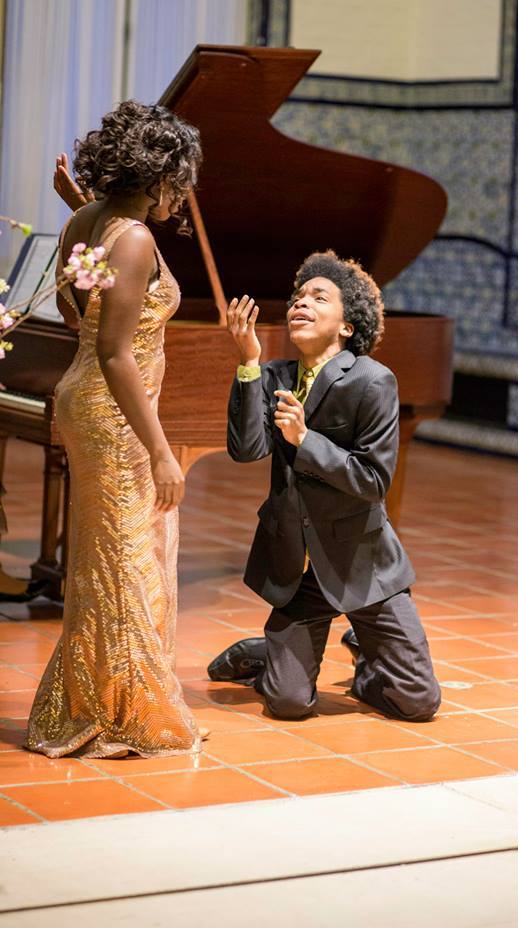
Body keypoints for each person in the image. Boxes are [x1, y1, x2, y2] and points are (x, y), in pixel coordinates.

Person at [25, 100, 204, 758]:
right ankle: (124, 710)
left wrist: (81, 203)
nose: (182, 195)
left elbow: (81, 320)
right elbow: (113, 351)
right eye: (179, 181)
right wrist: (161, 450)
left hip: (86, 404)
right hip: (114, 414)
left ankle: (99, 695)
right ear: (158, 176)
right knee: (129, 562)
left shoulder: (83, 220)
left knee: (108, 560)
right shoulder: (133, 238)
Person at [207, 251, 441, 722]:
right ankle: (267, 655)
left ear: (347, 327)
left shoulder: (373, 381)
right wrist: (248, 361)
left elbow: (374, 480)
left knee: (418, 702)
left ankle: (363, 653)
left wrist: (306, 440)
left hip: (363, 564)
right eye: (297, 297)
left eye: (318, 297)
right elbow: (247, 449)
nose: (301, 303)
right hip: (301, 570)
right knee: (289, 704)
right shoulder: (273, 375)